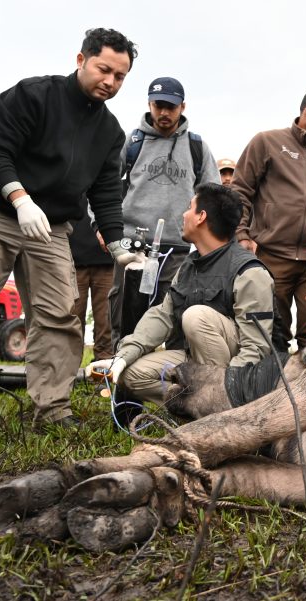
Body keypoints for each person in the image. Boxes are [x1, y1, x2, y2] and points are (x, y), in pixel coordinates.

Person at [0, 28, 138, 439]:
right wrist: (20, 198)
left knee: (60, 314)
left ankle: (52, 409)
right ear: (81, 60)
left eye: (120, 76)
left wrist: (118, 245)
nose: (110, 82)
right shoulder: (31, 95)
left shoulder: (110, 132)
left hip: (51, 227)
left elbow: (107, 193)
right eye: (104, 69)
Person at [88, 183, 275, 410]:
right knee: (132, 375)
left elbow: (255, 350)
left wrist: (232, 387)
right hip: (195, 360)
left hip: (238, 376)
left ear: (201, 217)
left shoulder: (250, 272)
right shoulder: (189, 265)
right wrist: (123, 356)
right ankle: (196, 408)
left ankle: (224, 409)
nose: (183, 214)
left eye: (189, 208)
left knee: (196, 316)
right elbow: (162, 316)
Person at [107, 76, 219, 346]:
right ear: (149, 104)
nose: (164, 112)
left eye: (171, 106)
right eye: (158, 105)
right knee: (124, 310)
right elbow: (105, 186)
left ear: (183, 106)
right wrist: (102, 227)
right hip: (132, 244)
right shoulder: (132, 142)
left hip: (177, 248)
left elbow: (213, 197)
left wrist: (208, 242)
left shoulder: (197, 147)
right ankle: (120, 377)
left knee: (172, 312)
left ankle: (164, 379)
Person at [232, 87, 306, 351]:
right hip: (270, 256)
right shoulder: (266, 142)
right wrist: (242, 235)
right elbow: (240, 190)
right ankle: (269, 390)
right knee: (270, 335)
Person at [70, 207, 114, 361]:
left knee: (107, 320)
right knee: (71, 318)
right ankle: (68, 371)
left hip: (108, 258)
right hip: (72, 259)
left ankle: (103, 373)